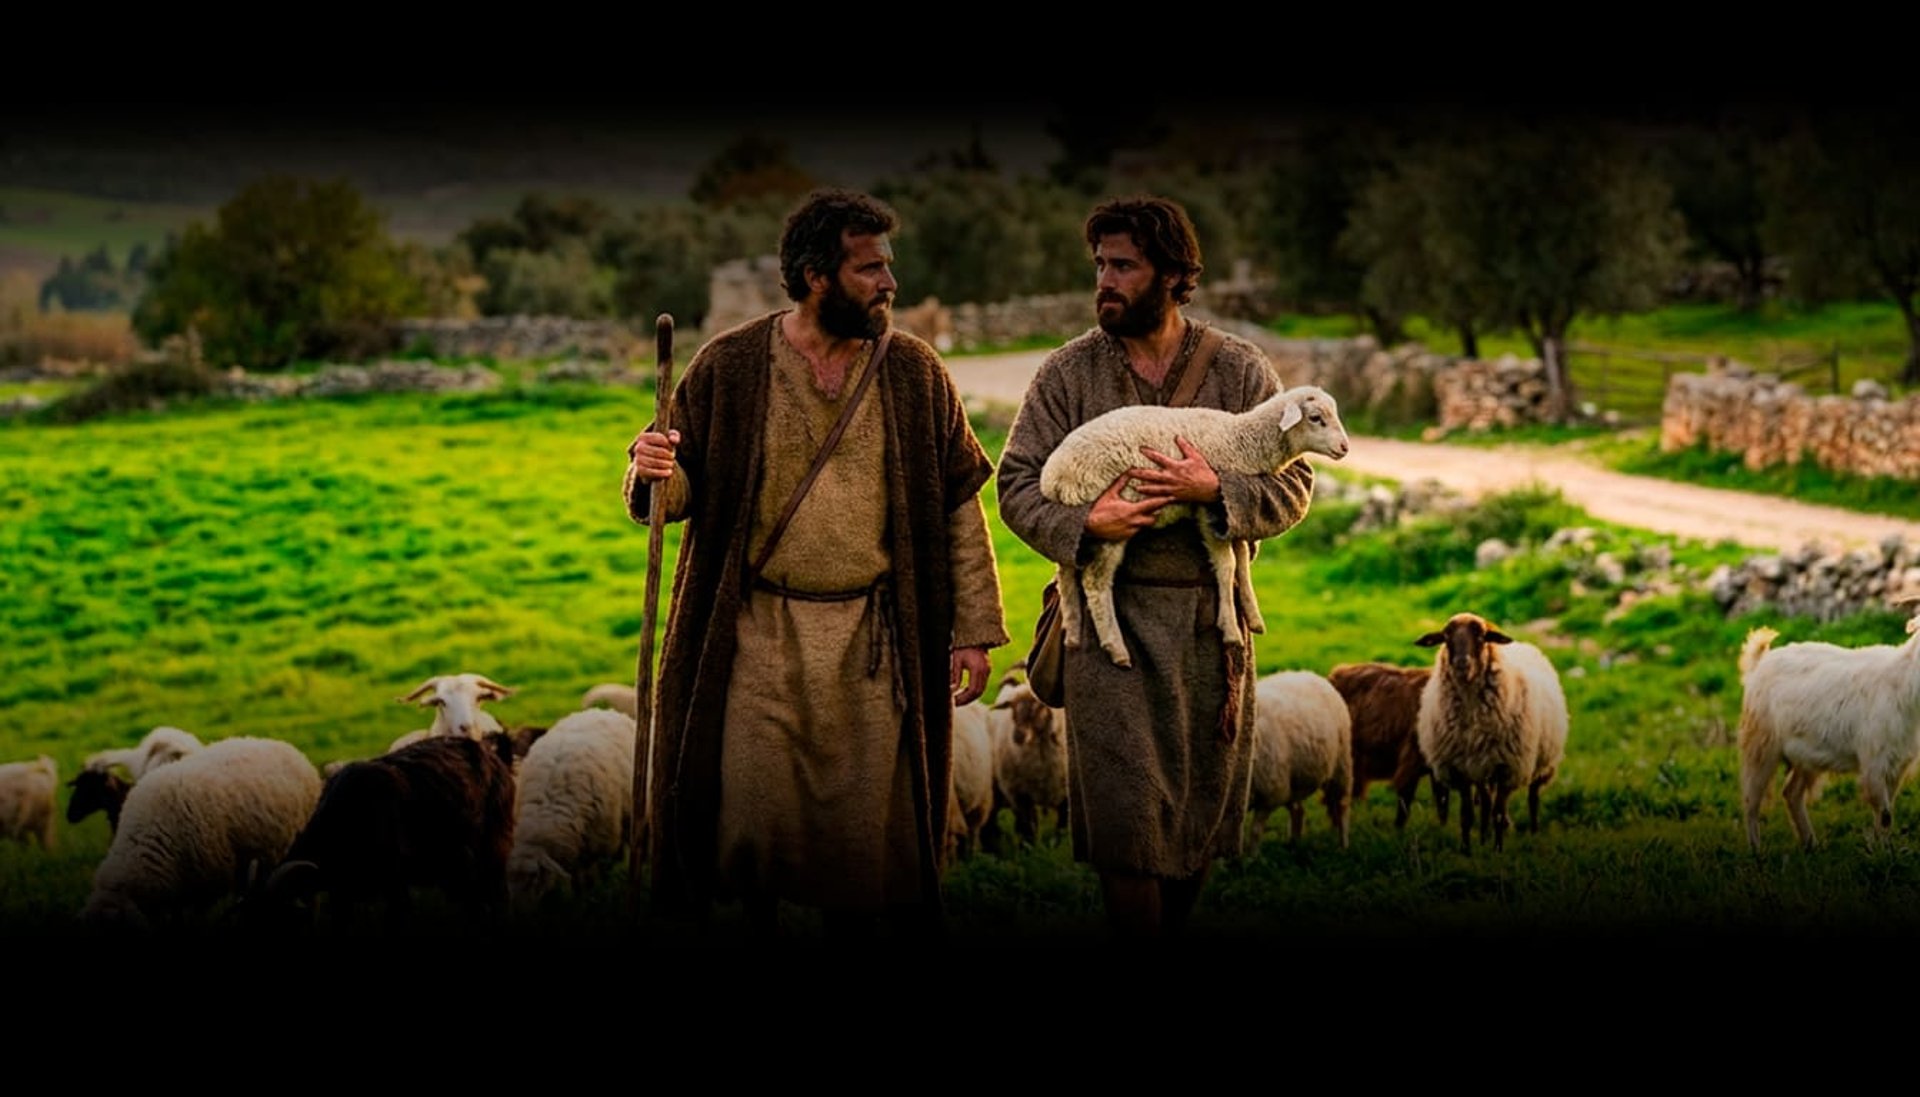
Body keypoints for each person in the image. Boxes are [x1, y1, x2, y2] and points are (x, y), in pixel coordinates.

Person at [623, 187, 1009, 945]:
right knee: (753, 828)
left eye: (888, 267)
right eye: (870, 269)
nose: (890, 285)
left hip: (874, 640)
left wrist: (974, 626)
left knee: (863, 845)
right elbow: (677, 496)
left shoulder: (914, 373)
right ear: (814, 276)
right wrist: (652, 468)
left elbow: (958, 505)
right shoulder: (729, 367)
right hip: (758, 636)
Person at [995, 194, 1319, 941]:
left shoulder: (1240, 371)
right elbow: (1015, 483)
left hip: (1212, 626)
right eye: (1099, 265)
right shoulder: (1068, 374)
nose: (1104, 281)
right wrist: (1084, 523)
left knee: (1198, 819)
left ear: (1175, 275)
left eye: (1123, 266)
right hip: (1112, 630)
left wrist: (1218, 490)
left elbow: (1294, 485)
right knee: (1127, 829)